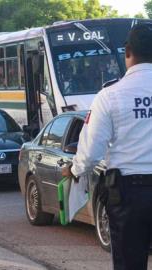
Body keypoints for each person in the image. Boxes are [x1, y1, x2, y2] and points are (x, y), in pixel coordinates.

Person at [62, 23, 152, 270]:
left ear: (127, 52)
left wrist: (74, 170)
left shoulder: (110, 95)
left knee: (130, 263)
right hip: (129, 191)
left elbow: (91, 152)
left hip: (129, 195)